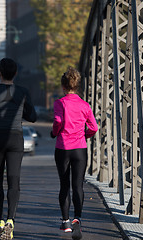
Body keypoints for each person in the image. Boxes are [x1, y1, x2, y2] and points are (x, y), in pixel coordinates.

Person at [0, 58, 37, 239]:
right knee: (14, 180)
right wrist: (22, 111)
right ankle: (11, 220)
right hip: (15, 139)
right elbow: (33, 117)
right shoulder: (22, 91)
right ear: (16, 73)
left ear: (0, 73)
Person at [51, 67, 98, 240]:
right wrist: (84, 135)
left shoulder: (60, 103)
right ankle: (78, 218)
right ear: (78, 86)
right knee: (78, 185)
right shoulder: (85, 105)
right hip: (80, 148)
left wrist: (55, 132)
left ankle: (65, 222)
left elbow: (57, 121)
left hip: (63, 148)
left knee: (64, 185)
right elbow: (94, 127)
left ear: (63, 86)